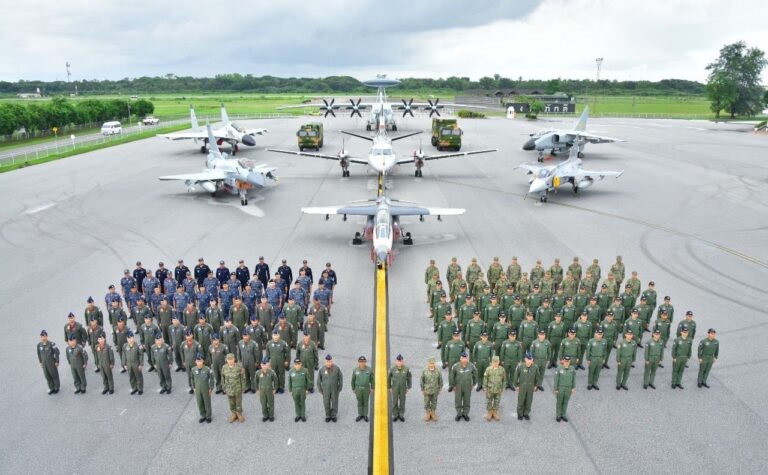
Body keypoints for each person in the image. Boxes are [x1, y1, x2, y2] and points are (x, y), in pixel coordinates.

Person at [449, 352, 478, 421]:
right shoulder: (456, 366)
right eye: (463, 358)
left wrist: (473, 384)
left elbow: (475, 375)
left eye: (466, 358)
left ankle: (465, 414)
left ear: (467, 359)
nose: (464, 360)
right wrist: (453, 385)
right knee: (458, 400)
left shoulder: (471, 366)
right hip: (458, 386)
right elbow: (452, 376)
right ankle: (459, 414)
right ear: (460, 359)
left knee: (467, 400)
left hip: (468, 386)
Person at [513, 352, 540, 420]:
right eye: (528, 359)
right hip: (522, 386)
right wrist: (516, 385)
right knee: (521, 400)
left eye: (531, 359)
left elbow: (537, 377)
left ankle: (526, 413)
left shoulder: (535, 367)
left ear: (532, 360)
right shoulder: (520, 366)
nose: (529, 361)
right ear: (525, 359)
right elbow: (516, 376)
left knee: (529, 401)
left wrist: (536, 385)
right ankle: (520, 413)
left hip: (531, 387)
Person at [318, 354, 343, 422]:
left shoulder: (336, 368)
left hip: (334, 389)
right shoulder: (322, 370)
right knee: (326, 402)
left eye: (330, 361)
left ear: (332, 361)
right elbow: (318, 380)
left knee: (335, 402)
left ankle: (333, 415)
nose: (329, 363)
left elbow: (340, 377)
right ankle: (328, 415)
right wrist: (320, 389)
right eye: (327, 362)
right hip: (326, 390)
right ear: (325, 362)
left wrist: (340, 387)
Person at [222, 353, 246, 422]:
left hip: (237, 388)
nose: (230, 361)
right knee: (231, 402)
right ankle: (233, 414)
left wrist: (243, 387)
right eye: (228, 359)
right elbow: (222, 378)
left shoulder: (239, 367)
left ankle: (239, 414)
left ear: (234, 359)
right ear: (226, 360)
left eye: (231, 359)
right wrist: (224, 387)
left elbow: (243, 378)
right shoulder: (224, 367)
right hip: (229, 389)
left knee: (238, 402)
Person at [388, 354, 412, 422]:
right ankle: (395, 415)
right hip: (394, 388)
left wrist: (408, 387)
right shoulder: (392, 369)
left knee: (402, 402)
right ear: (396, 362)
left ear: (403, 362)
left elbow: (409, 378)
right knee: (395, 402)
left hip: (403, 388)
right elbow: (388, 378)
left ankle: (401, 415)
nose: (399, 362)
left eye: (401, 361)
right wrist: (389, 387)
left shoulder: (406, 369)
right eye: (398, 361)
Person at [192, 353, 214, 423]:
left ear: (203, 361)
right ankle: (203, 415)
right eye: (198, 361)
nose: (199, 363)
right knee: (200, 402)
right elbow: (192, 379)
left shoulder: (207, 369)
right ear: (195, 362)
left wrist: (211, 387)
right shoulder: (193, 369)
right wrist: (194, 387)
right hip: (197, 389)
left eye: (200, 361)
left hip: (205, 388)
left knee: (207, 402)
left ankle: (208, 416)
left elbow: (211, 379)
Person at [483, 356, 506, 421]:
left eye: (497, 362)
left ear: (499, 362)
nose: (495, 363)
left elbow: (504, 380)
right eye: (494, 362)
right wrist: (485, 388)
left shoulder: (502, 369)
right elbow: (485, 379)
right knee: (489, 401)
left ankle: (495, 412)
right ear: (491, 362)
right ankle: (490, 412)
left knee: (497, 401)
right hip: (490, 389)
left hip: (498, 389)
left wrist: (503, 387)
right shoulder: (488, 369)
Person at [37, 330, 60, 395]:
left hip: (51, 363)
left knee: (54, 375)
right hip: (44, 364)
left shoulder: (52, 344)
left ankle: (56, 387)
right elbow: (39, 354)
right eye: (42, 336)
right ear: (40, 337)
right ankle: (51, 388)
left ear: (47, 336)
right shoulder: (39, 345)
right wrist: (40, 362)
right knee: (47, 376)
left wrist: (57, 361)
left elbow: (57, 352)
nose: (43, 338)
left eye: (45, 336)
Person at [351, 356, 374, 422]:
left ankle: (365, 415)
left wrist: (372, 387)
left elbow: (372, 379)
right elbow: (353, 380)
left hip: (366, 388)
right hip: (358, 389)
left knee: (366, 402)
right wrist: (353, 388)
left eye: (363, 362)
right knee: (359, 402)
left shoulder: (369, 370)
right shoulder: (355, 370)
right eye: (360, 362)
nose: (362, 363)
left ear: (365, 362)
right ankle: (360, 414)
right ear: (358, 362)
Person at [288, 358, 311, 422]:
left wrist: (307, 389)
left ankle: (303, 415)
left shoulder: (305, 370)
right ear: (294, 364)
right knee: (296, 402)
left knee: (302, 402)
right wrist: (290, 390)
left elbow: (308, 380)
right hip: (294, 389)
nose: (297, 365)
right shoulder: (291, 371)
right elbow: (289, 381)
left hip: (302, 389)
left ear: (301, 364)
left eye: (299, 364)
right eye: (296, 364)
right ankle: (298, 415)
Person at [554, 356, 576, 422]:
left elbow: (573, 379)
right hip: (560, 388)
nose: (566, 363)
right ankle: (558, 415)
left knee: (566, 402)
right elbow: (556, 379)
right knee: (559, 402)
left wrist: (573, 387)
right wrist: (556, 389)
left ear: (569, 362)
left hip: (568, 388)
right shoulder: (559, 368)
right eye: (565, 361)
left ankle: (563, 414)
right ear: (563, 361)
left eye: (568, 361)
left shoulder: (572, 369)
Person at [420, 357, 443, 422]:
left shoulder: (438, 371)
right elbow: (422, 381)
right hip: (427, 390)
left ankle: (433, 413)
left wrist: (440, 389)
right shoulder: (424, 371)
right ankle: (428, 413)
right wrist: (422, 389)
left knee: (434, 402)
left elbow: (440, 380)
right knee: (426, 402)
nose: (431, 365)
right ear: (428, 364)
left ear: (435, 364)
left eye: (433, 363)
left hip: (435, 390)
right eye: (430, 363)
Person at [257, 357, 279, 422]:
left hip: (270, 390)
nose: (264, 366)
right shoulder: (258, 373)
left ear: (268, 364)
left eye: (266, 364)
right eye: (263, 365)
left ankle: (271, 415)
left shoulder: (272, 372)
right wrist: (257, 389)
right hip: (262, 390)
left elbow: (276, 381)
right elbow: (255, 381)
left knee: (270, 403)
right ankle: (265, 415)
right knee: (263, 403)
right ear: (261, 365)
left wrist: (275, 389)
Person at [123, 330, 143, 395]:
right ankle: (134, 388)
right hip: (129, 364)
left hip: (136, 363)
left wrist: (141, 364)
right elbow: (124, 355)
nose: (130, 340)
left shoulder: (138, 346)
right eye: (129, 338)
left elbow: (141, 355)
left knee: (138, 376)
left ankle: (140, 389)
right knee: (131, 377)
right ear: (127, 339)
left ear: (134, 338)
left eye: (132, 338)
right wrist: (124, 364)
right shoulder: (125, 346)